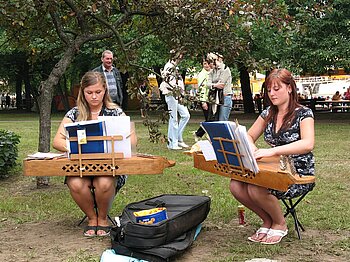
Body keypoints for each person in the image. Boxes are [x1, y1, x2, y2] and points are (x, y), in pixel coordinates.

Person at [230, 68, 315, 245]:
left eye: (277, 89)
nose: (272, 93)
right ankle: (267, 221)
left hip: (298, 170)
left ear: (289, 88)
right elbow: (249, 135)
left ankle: (280, 223)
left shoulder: (304, 113)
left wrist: (272, 151)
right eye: (269, 90)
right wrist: (252, 148)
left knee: (256, 187)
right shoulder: (268, 113)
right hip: (273, 166)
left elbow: (308, 144)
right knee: (236, 185)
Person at [53, 71, 134, 237]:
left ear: (105, 90)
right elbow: (57, 141)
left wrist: (116, 144)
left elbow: (132, 139)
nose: (94, 97)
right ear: (82, 92)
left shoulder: (115, 112)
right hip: (80, 166)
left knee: (104, 182)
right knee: (75, 183)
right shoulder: (74, 113)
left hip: (109, 166)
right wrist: (73, 146)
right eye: (89, 93)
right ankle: (92, 218)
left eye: (98, 92)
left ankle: (102, 219)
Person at [159, 50, 190, 150]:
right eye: (179, 56)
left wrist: (182, 93)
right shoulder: (169, 66)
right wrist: (178, 93)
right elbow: (169, 83)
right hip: (171, 94)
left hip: (177, 95)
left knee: (186, 115)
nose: (181, 58)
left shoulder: (175, 67)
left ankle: (178, 138)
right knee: (174, 118)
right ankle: (172, 143)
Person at [206, 52, 233, 121]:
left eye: (210, 63)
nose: (209, 65)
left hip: (225, 97)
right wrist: (215, 85)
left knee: (222, 120)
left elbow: (221, 85)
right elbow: (207, 84)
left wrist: (213, 85)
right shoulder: (212, 72)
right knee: (214, 120)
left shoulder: (225, 69)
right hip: (215, 98)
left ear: (214, 61)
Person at [193, 58, 212, 141]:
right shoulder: (202, 74)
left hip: (211, 99)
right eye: (205, 64)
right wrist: (203, 102)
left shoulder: (211, 73)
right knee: (209, 119)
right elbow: (202, 89)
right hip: (205, 99)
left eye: (208, 63)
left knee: (211, 119)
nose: (207, 65)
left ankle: (201, 133)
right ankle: (198, 133)